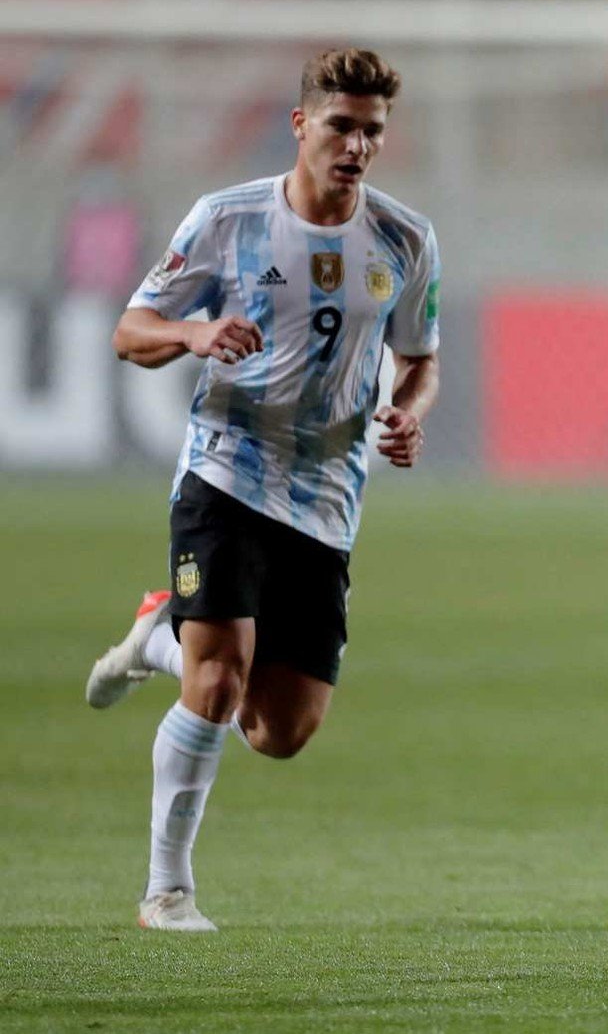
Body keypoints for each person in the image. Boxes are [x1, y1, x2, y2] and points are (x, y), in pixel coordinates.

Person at [85, 48, 441, 932]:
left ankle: (154, 636)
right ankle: (167, 890)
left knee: (280, 730)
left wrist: (406, 410)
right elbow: (131, 330)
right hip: (226, 467)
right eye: (340, 126)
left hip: (327, 495)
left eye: (372, 131)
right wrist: (196, 333)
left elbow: (422, 358)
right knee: (219, 678)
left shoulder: (405, 239)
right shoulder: (227, 219)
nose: (356, 145)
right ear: (300, 125)